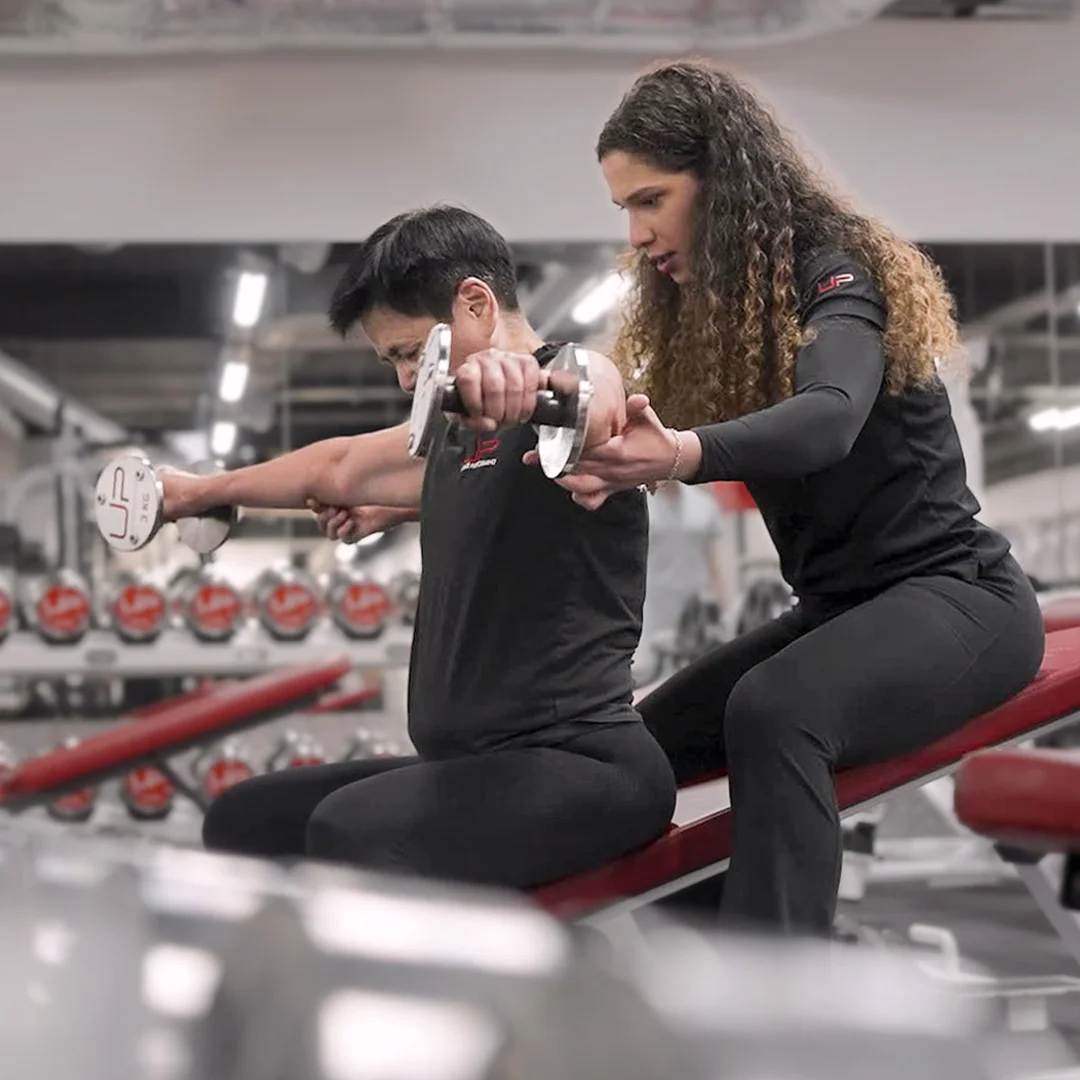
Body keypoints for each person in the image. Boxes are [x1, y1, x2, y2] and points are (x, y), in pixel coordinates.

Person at [538, 60, 1045, 936]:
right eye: (625, 207)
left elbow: (831, 417)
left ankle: (773, 998)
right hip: (842, 611)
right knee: (633, 752)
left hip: (961, 598)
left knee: (776, 710)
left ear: (721, 181)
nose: (637, 231)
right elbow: (625, 417)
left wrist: (682, 454)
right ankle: (681, 952)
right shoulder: (719, 318)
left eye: (651, 199)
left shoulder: (833, 269)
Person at [162, 205, 676, 888]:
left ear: (476, 303)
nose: (407, 379)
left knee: (350, 831)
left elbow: (599, 397)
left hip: (585, 766)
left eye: (409, 353)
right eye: (393, 361)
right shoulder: (456, 437)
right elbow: (339, 466)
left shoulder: (569, 401)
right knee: (244, 819)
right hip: (476, 769)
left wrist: (547, 382)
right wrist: (194, 493)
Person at [634, 480, 728, 683]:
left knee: (697, 676)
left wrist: (721, 601)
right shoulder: (638, 504)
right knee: (652, 675)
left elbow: (712, 560)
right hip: (651, 605)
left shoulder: (703, 504)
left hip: (696, 608)